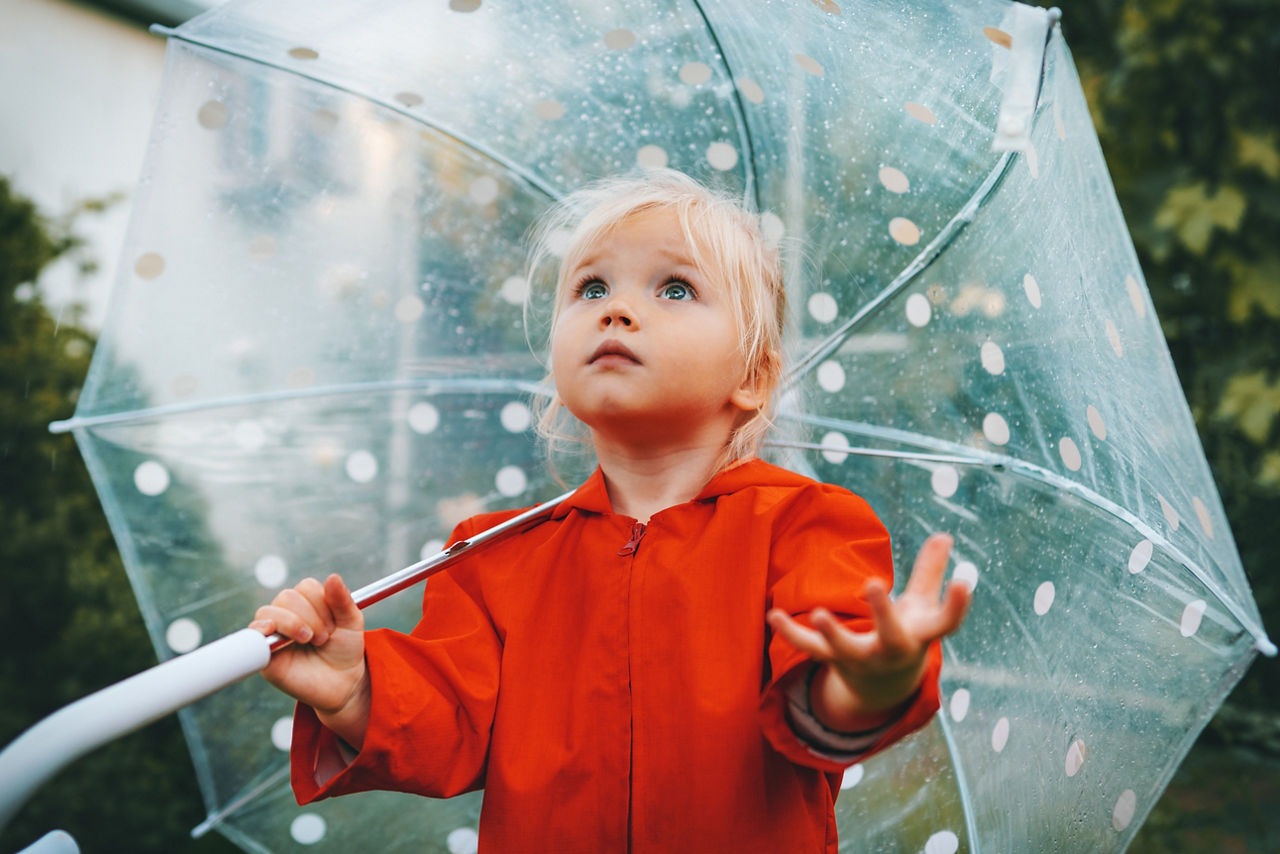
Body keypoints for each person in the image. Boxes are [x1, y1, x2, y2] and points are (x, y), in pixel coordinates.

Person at [250, 169, 971, 853]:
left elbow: (815, 703)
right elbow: (448, 726)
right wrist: (356, 691)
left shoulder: (806, 526)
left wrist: (869, 680)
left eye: (677, 289)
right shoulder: (494, 553)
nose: (617, 309)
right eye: (591, 286)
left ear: (752, 377)